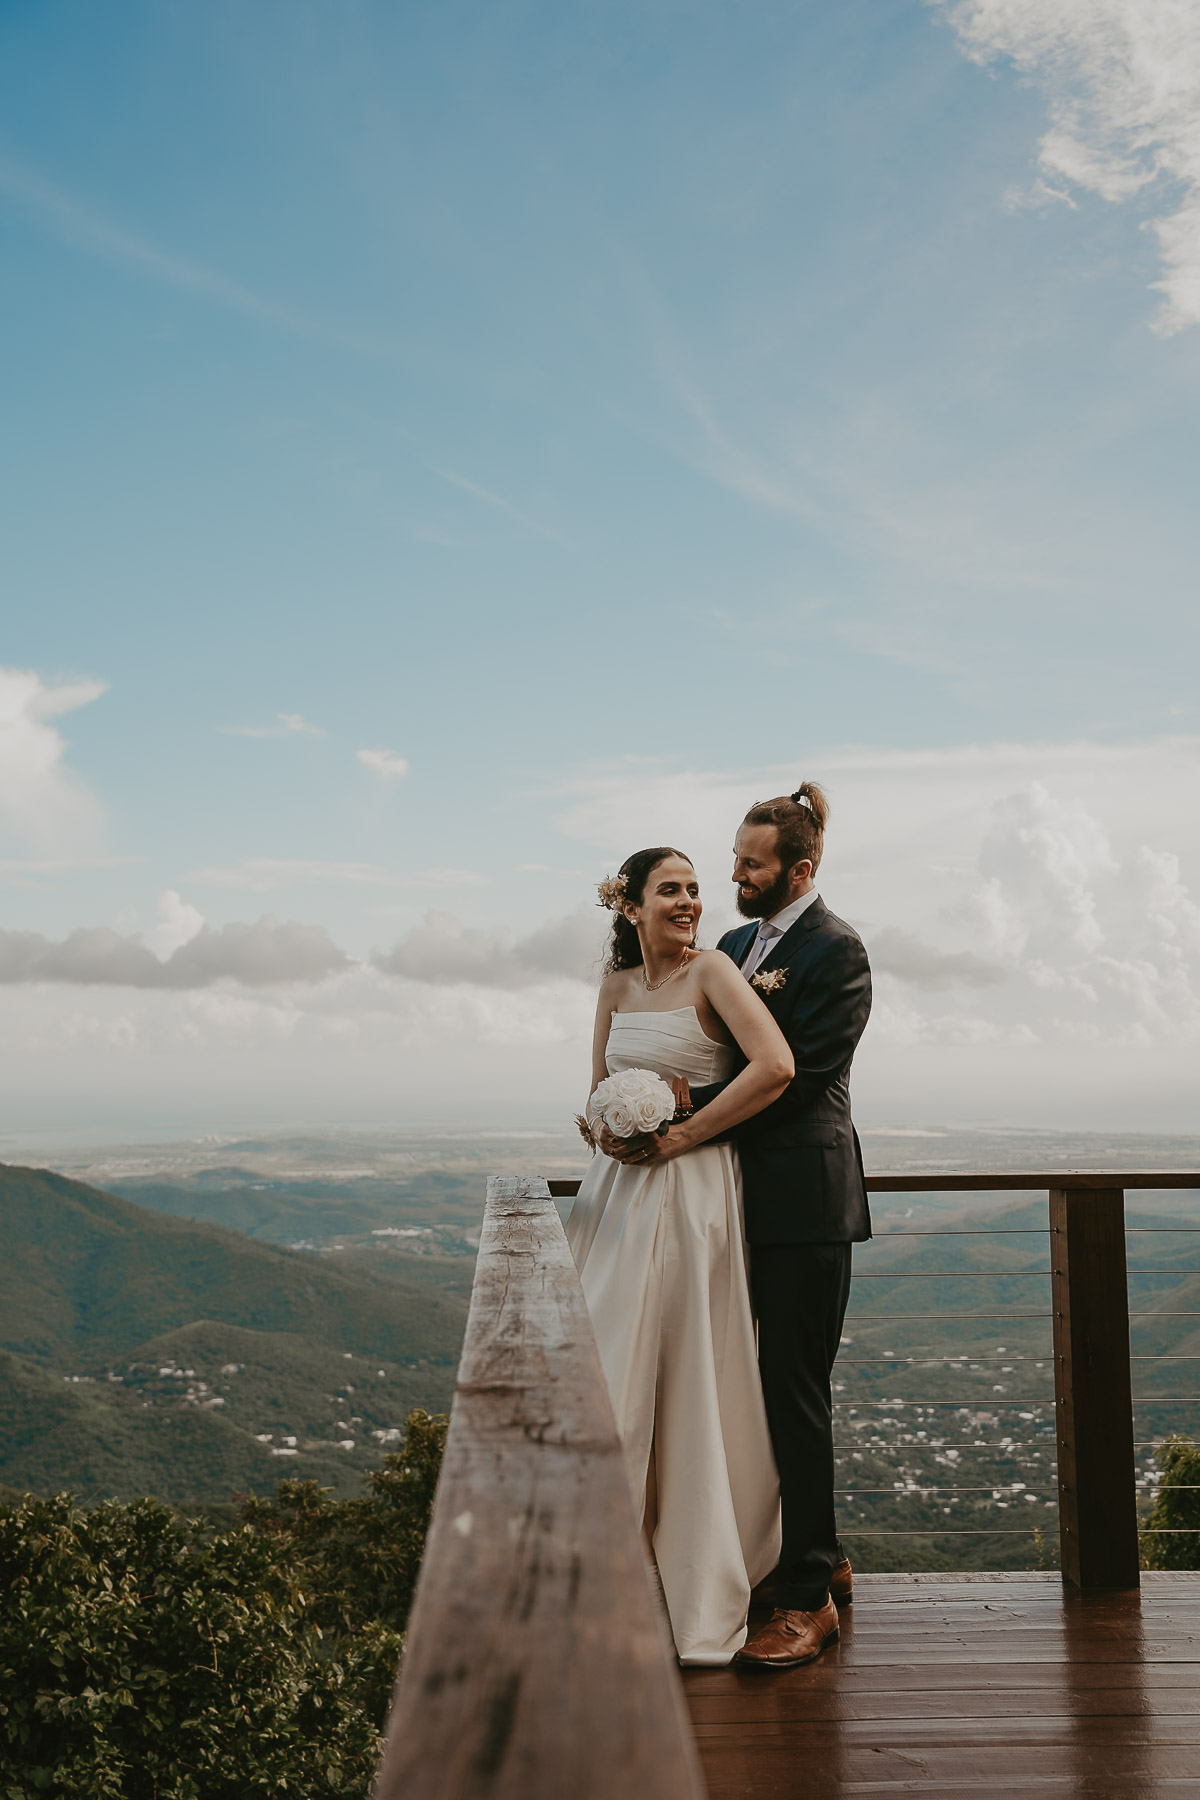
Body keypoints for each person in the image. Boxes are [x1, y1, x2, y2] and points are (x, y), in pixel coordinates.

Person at [610, 783, 872, 1669]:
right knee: (739, 1389)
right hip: (722, 1205)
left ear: (799, 869)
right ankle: (805, 1554)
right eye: (733, 858)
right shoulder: (726, 946)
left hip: (802, 1201)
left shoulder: (837, 951)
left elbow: (792, 1081)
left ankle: (805, 1601)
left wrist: (672, 1109)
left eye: (749, 864)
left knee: (794, 1390)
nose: (732, 876)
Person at [565, 845, 794, 1665]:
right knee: (609, 1364)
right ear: (630, 906)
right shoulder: (617, 989)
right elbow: (592, 1096)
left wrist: (681, 1136)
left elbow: (775, 1066)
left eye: (696, 889)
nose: (691, 901)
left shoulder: (715, 975)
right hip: (615, 1199)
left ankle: (686, 1575)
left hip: (694, 1193)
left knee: (684, 1365)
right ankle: (605, 1573)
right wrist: (608, 1127)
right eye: (672, 890)